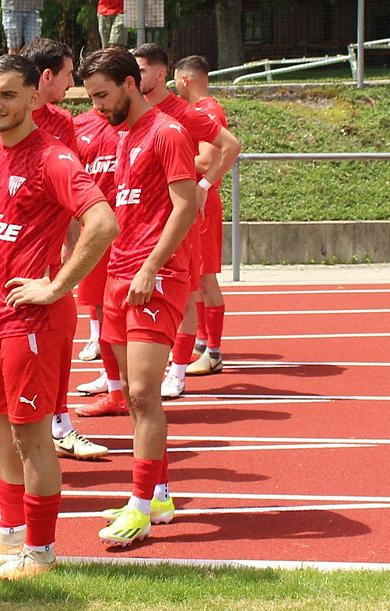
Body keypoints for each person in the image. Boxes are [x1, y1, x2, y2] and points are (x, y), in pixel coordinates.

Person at [0, 54, 117, 579]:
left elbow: (102, 223)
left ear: (32, 97)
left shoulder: (54, 158)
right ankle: (8, 535)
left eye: (6, 94)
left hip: (33, 322)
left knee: (32, 436)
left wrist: (56, 285)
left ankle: (42, 553)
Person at [79, 46, 198, 547]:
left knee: (146, 395)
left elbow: (185, 206)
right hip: (120, 273)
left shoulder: (168, 132)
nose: (98, 107)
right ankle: (160, 493)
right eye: (92, 98)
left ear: (131, 84)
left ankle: (140, 507)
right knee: (131, 394)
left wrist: (150, 266)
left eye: (103, 95)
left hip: (157, 274)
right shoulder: (122, 134)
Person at [131, 43, 240, 399]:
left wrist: (200, 182)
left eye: (142, 69)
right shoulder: (136, 111)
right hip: (153, 213)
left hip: (189, 211)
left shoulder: (194, 110)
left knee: (195, 285)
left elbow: (219, 152)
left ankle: (197, 359)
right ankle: (197, 350)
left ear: (170, 75)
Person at [19, 38, 109, 457]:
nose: (73, 82)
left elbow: (70, 200)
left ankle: (59, 423)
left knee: (57, 339)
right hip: (3, 255)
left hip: (47, 258)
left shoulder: (62, 123)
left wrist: (71, 256)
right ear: (48, 76)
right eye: (69, 74)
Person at [174, 55, 233, 377]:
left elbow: (207, 157)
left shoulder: (207, 111)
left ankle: (213, 352)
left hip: (202, 201)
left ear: (185, 80)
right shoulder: (201, 110)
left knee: (205, 277)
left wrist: (170, 157)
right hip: (198, 200)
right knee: (196, 277)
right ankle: (201, 345)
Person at [72, 105, 129, 418]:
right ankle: (116, 389)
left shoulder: (143, 123)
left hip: (135, 234)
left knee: (132, 312)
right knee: (101, 309)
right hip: (94, 233)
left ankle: (159, 378)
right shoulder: (79, 126)